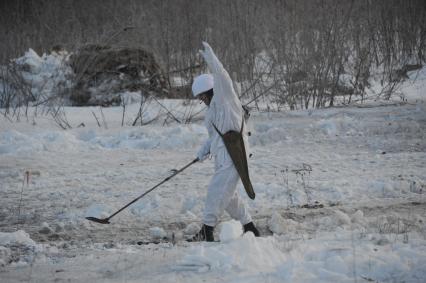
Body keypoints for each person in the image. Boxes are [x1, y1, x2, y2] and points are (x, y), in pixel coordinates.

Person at [190, 42, 260, 242]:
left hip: (234, 155)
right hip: (223, 156)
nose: (201, 99)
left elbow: (222, 77)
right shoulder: (212, 111)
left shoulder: (225, 99)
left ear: (210, 91)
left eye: (202, 95)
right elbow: (214, 137)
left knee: (217, 191)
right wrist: (203, 151)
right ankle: (250, 227)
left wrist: (212, 60)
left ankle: (207, 231)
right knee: (228, 197)